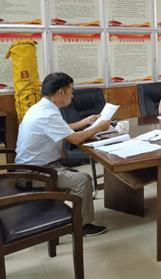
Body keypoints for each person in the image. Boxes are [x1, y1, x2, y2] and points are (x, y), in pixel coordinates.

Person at [15, 72, 111, 236]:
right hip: (34, 173)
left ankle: (72, 215)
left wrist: (86, 122)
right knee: (83, 181)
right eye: (71, 91)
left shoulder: (42, 107)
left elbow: (62, 129)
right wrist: (98, 127)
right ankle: (81, 226)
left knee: (76, 177)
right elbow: (75, 139)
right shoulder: (48, 114)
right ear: (61, 92)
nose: (72, 96)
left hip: (34, 167)